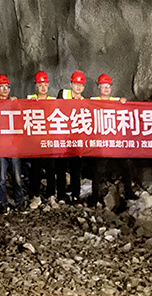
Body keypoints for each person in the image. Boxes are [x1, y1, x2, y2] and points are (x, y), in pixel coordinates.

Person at [89, 74, 136, 206]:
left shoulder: (116, 101)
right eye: (103, 86)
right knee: (98, 170)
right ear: (98, 87)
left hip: (115, 142)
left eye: (108, 86)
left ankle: (128, 192)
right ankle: (94, 197)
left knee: (126, 166)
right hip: (101, 142)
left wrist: (123, 102)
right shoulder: (93, 101)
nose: (106, 88)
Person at [55, 71, 86, 204]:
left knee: (75, 168)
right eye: (76, 84)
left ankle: (75, 195)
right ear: (71, 84)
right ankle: (61, 195)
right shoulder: (63, 94)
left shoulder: (85, 102)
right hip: (62, 137)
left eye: (81, 85)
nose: (78, 87)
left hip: (76, 139)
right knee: (61, 167)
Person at [0, 75, 24, 213]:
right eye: (2, 87)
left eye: (7, 87)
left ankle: (20, 202)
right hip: (1, 148)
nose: (5, 89)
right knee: (1, 178)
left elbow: (21, 120)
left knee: (17, 177)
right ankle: (3, 203)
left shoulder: (14, 104)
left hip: (13, 148)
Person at [27, 70, 56, 209]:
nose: (43, 87)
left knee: (51, 169)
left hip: (49, 141)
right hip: (35, 142)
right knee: (35, 170)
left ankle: (51, 196)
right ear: (36, 86)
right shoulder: (30, 100)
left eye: (45, 85)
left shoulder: (53, 101)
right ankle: (36, 196)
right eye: (40, 85)